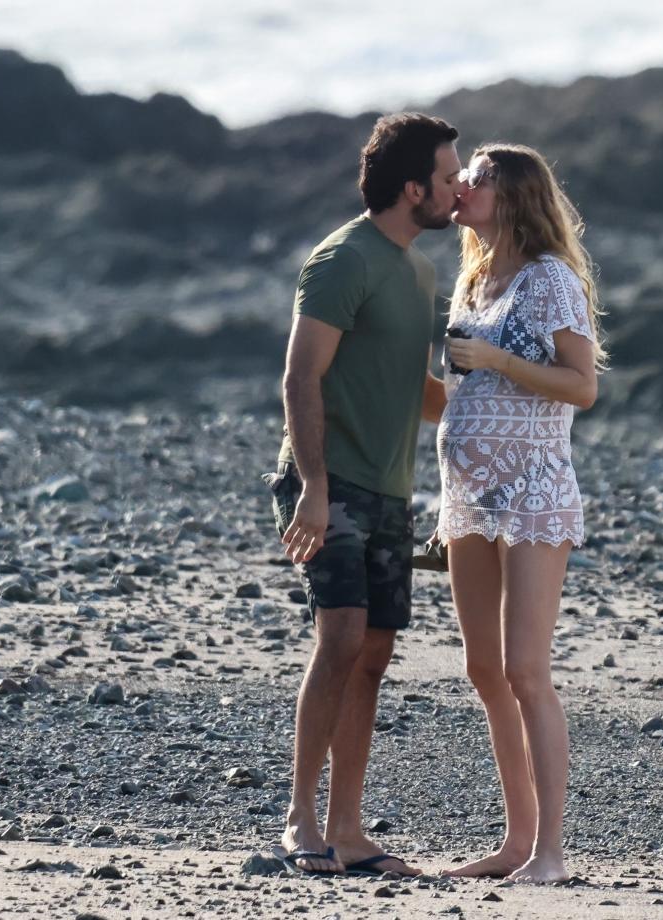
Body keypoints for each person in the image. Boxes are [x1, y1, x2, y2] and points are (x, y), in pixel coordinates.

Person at [267, 113, 462, 875]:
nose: (456, 191)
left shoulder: (417, 269)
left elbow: (414, 388)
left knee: (375, 654)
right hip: (329, 481)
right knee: (341, 636)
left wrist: (508, 413)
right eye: (447, 179)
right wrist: (313, 488)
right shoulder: (343, 258)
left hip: (390, 488)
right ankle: (301, 819)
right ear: (412, 188)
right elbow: (299, 376)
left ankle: (348, 830)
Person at [436, 144, 605, 883]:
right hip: (467, 495)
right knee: (482, 668)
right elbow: (465, 394)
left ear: (510, 193)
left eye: (473, 176)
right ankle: (514, 841)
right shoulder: (476, 277)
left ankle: (551, 854)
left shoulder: (549, 280)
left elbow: (581, 386)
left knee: (525, 668)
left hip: (533, 488)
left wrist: (499, 361)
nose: (459, 185)